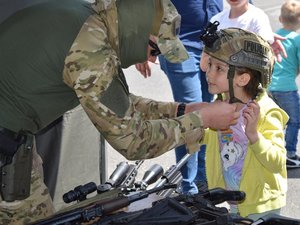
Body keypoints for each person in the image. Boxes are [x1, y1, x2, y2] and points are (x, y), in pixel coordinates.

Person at [0, 0, 240, 224]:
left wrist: (182, 110)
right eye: (154, 50)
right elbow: (134, 141)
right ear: (136, 31)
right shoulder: (92, 51)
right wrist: (202, 119)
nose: (153, 61)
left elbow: (119, 104)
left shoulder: (90, 23)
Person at [194, 26, 289, 220]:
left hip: (260, 204)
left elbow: (277, 162)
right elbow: (211, 142)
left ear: (243, 79)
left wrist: (254, 135)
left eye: (219, 68)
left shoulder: (266, 112)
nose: (209, 74)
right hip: (233, 200)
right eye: (210, 65)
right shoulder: (221, 106)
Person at [136, 0, 223, 195]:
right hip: (178, 42)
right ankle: (187, 186)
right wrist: (143, 39)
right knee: (191, 114)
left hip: (216, 43)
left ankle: (204, 180)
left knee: (209, 111)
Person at [200, 0, 288, 72]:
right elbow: (204, 65)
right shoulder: (217, 20)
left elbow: (264, 52)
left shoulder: (258, 17)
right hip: (223, 87)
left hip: (250, 86)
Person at [268, 0, 300, 168]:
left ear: (280, 19)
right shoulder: (297, 39)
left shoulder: (274, 36)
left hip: (270, 87)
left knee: (275, 120)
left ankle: (273, 151)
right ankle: (289, 153)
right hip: (287, 88)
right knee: (294, 120)